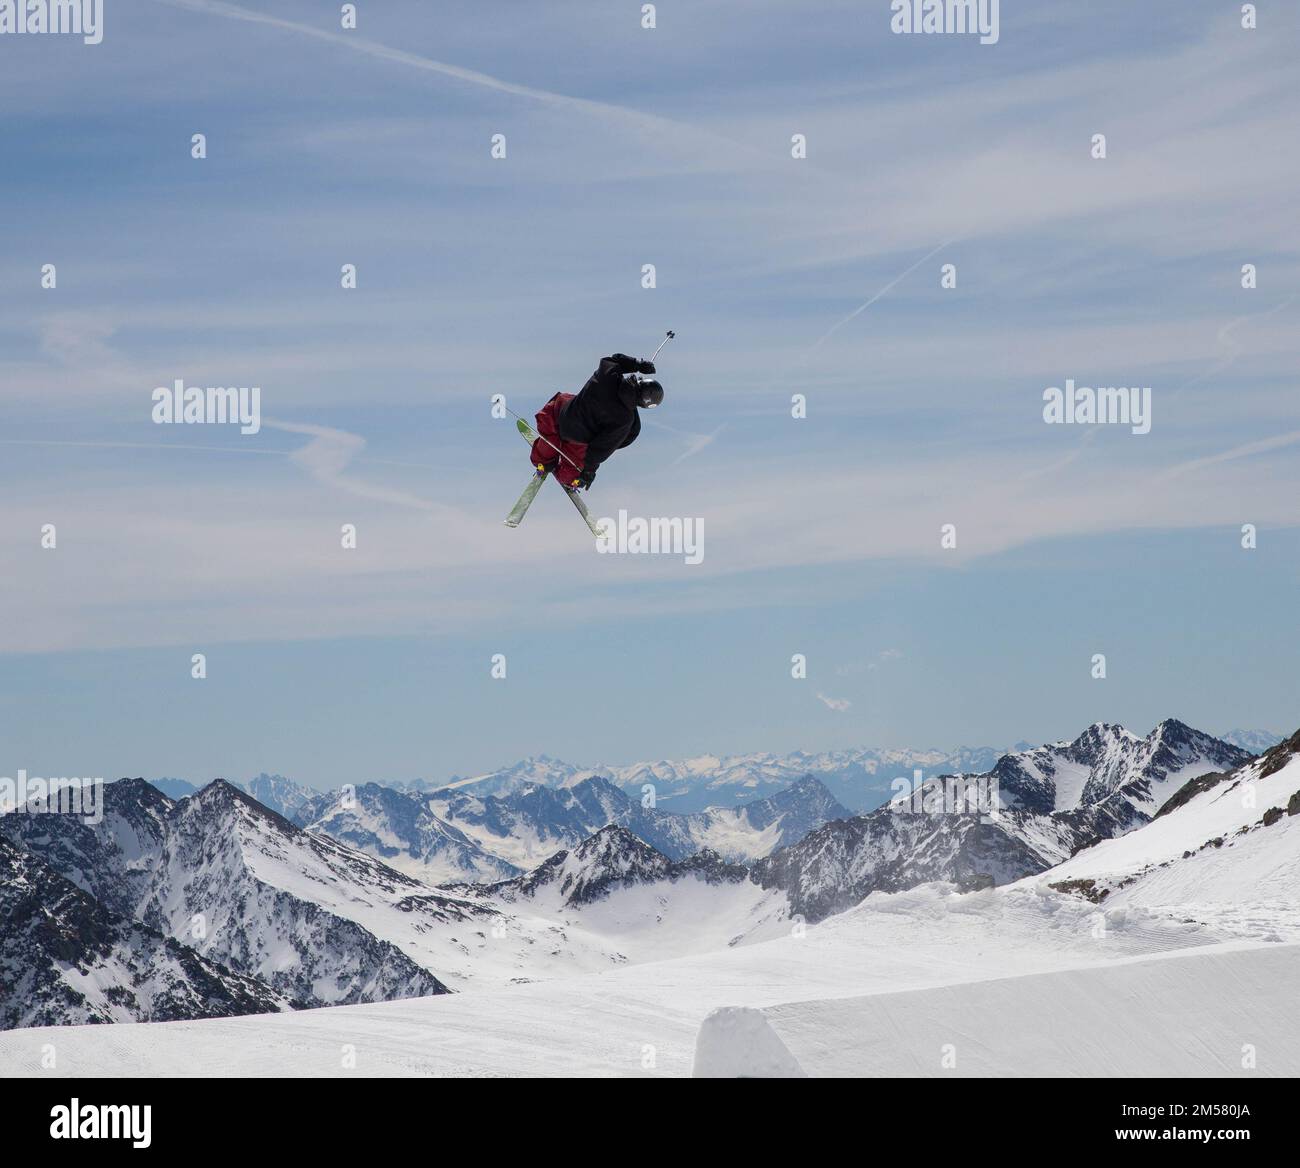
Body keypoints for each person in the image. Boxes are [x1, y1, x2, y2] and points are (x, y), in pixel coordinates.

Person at [529, 353, 664, 490]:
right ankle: (554, 468)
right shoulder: (624, 420)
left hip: (558, 412)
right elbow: (600, 448)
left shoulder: (609, 376)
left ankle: (543, 459)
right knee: (570, 474)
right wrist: (588, 471)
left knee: (549, 444)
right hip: (573, 436)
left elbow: (613, 359)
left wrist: (637, 364)